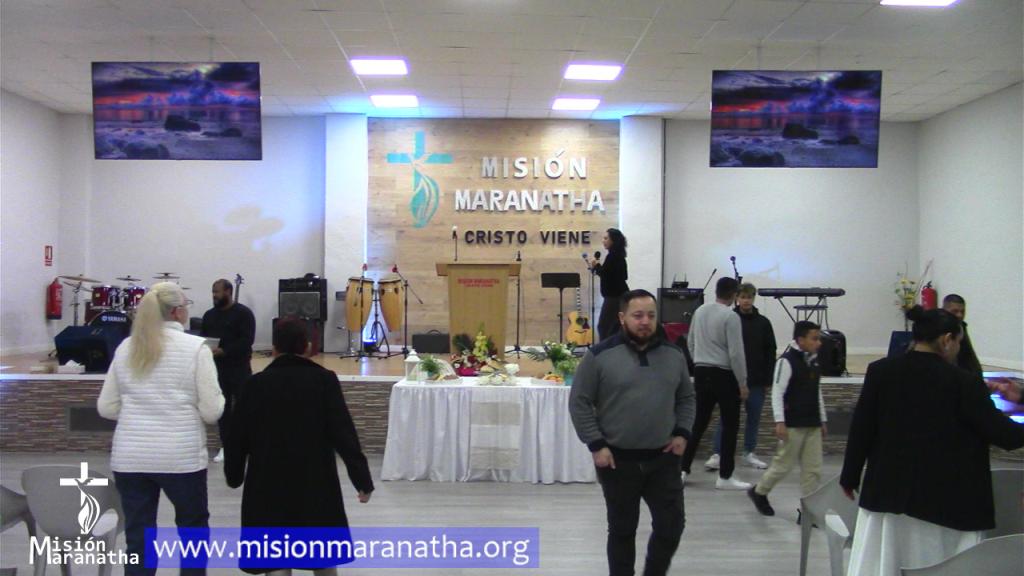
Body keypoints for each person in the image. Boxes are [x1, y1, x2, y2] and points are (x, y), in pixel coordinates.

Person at [840, 306, 1024, 576]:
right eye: (959, 342)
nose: (959, 349)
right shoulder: (963, 383)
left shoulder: (881, 371)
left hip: (887, 492)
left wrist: (850, 475)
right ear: (947, 340)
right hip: (945, 502)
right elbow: (1006, 435)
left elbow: (862, 427)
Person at [226, 317, 374, 576]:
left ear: (274, 348)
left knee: (274, 558)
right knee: (322, 556)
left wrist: (234, 474)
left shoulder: (254, 384)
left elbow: (237, 436)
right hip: (315, 480)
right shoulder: (324, 381)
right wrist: (361, 479)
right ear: (307, 346)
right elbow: (343, 433)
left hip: (266, 482)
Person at [97, 282, 224, 576]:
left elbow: (106, 407)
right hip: (181, 458)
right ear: (178, 312)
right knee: (192, 531)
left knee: (138, 536)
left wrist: (139, 413)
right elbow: (211, 411)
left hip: (130, 458)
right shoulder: (196, 349)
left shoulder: (126, 348)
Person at [569, 289, 695, 576]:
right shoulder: (599, 356)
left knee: (671, 526)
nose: (645, 321)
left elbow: (686, 398)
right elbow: (579, 402)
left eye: (651, 315)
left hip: (663, 459)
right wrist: (596, 444)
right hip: (617, 461)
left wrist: (682, 432)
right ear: (622, 317)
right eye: (637, 315)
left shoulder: (674, 355)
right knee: (622, 529)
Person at [747, 321, 826, 517]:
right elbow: (777, 392)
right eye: (814, 339)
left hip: (813, 423)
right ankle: (759, 491)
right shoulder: (786, 362)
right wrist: (779, 421)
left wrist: (822, 419)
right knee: (783, 465)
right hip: (793, 423)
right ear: (801, 339)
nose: (819, 343)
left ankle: (808, 512)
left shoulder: (815, 362)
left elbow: (817, 391)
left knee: (813, 469)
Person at [680, 277, 750, 490]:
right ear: (734, 295)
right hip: (725, 374)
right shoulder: (731, 316)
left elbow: (690, 341)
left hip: (701, 371)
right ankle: (725, 476)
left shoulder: (700, 311)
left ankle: (682, 470)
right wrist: (742, 382)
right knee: (730, 425)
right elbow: (736, 353)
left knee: (698, 422)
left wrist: (699, 361)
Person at [705, 283, 777, 472]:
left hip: (756, 380)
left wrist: (768, 379)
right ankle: (718, 453)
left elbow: (770, 351)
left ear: (754, 298)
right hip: (732, 379)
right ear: (736, 298)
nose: (746, 301)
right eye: (743, 297)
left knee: (753, 418)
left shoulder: (763, 323)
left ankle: (749, 452)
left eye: (749, 297)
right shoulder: (729, 318)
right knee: (726, 418)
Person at [200, 278, 255, 462]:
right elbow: (204, 338)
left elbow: (247, 340)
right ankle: (226, 446)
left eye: (217, 291)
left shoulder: (244, 314)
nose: (214, 295)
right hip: (217, 369)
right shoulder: (209, 315)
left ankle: (247, 444)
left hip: (239, 368)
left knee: (243, 407)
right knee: (222, 410)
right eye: (213, 292)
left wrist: (224, 351)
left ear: (229, 292)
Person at [588, 228, 629, 341]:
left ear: (613, 240)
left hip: (614, 297)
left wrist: (597, 266)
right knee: (613, 327)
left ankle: (605, 349)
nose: (603, 241)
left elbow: (606, 274)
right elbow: (622, 276)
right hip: (619, 296)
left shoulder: (613, 257)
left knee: (604, 327)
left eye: (606, 238)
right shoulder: (619, 256)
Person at [941, 293, 983, 378]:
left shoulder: (961, 327)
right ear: (944, 310)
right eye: (955, 311)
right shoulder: (937, 329)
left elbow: (969, 357)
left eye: (962, 311)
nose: (960, 315)